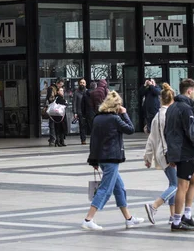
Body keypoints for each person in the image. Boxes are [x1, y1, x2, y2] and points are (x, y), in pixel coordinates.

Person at [82, 91, 144, 231]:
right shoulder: (115, 119)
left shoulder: (98, 118)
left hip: (102, 159)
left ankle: (128, 219)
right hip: (111, 158)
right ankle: (88, 219)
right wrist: (125, 113)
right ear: (116, 106)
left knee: (119, 188)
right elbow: (130, 129)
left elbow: (94, 141)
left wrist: (93, 160)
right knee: (105, 189)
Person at [164, 78, 194, 232]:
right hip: (184, 152)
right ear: (189, 90)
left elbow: (167, 132)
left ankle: (187, 215)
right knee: (182, 186)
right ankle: (177, 221)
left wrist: (171, 155)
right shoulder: (186, 109)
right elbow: (192, 133)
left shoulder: (172, 107)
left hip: (177, 152)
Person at [144, 83, 177, 225]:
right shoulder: (168, 115)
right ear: (172, 100)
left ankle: (173, 215)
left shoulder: (157, 116)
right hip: (167, 154)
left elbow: (151, 138)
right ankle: (154, 206)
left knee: (172, 183)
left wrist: (148, 157)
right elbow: (171, 137)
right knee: (176, 185)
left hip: (160, 153)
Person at [46, 78, 65, 146]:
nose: (60, 86)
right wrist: (56, 96)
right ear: (57, 83)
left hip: (57, 109)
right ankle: (52, 139)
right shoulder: (52, 88)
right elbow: (50, 98)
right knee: (52, 124)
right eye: (60, 85)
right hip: (53, 108)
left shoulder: (55, 88)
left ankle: (56, 139)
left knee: (55, 124)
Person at [73, 78, 89, 145]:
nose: (82, 84)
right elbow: (74, 103)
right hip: (80, 112)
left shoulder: (88, 92)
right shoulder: (76, 92)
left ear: (85, 84)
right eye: (81, 82)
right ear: (79, 83)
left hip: (88, 111)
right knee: (82, 126)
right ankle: (83, 140)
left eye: (83, 83)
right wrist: (75, 112)